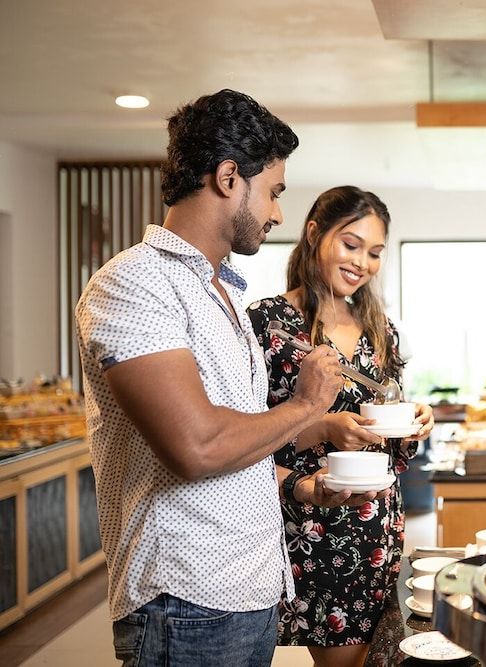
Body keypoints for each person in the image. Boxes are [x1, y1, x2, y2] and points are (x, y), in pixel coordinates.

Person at [76, 89, 383, 667]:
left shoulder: (223, 294)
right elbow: (197, 447)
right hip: (186, 602)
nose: (276, 214)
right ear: (227, 178)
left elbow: (245, 438)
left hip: (249, 589)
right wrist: (306, 405)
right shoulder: (135, 284)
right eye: (272, 192)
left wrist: (309, 471)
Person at [247, 185, 434, 667]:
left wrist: (413, 422)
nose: (363, 262)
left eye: (374, 253)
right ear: (314, 234)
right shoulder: (269, 323)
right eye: (351, 245)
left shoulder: (380, 329)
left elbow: (390, 431)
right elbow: (244, 437)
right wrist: (323, 428)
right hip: (311, 521)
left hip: (379, 526)